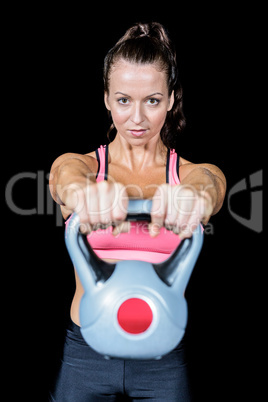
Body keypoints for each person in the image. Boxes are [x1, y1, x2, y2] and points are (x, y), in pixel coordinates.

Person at [49, 22, 226, 401]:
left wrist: (196, 197)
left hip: (163, 360)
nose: (138, 119)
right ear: (107, 99)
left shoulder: (187, 174)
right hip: (86, 356)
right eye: (124, 100)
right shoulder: (82, 166)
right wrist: (83, 193)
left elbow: (212, 183)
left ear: (172, 98)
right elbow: (64, 176)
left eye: (153, 100)